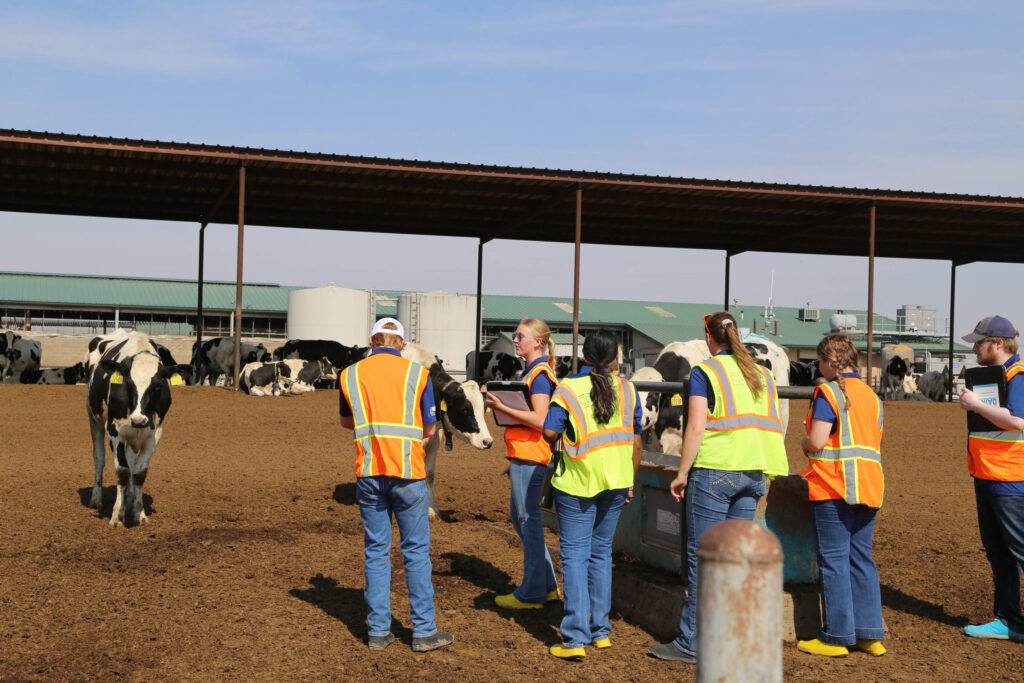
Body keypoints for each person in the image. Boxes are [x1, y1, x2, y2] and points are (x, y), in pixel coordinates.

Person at [650, 311, 789, 663]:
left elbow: (695, 429)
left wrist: (682, 472)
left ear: (708, 338)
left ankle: (693, 644)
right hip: (755, 472)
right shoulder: (763, 374)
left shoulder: (705, 372)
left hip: (715, 472)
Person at [338, 317, 454, 652]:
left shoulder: (350, 374)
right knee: (416, 552)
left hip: (369, 472)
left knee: (376, 552)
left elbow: (347, 422)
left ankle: (377, 632)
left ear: (372, 341)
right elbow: (430, 430)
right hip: (408, 473)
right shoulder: (419, 375)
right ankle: (423, 632)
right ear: (401, 344)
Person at [541, 329, 643, 658]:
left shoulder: (568, 388)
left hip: (577, 484)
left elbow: (549, 432)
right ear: (615, 359)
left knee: (574, 558)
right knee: (600, 557)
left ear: (584, 357)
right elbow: (636, 442)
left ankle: (573, 638)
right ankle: (600, 631)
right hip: (616, 483)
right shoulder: (628, 390)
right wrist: (629, 480)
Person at [797, 334, 886, 657]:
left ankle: (837, 636)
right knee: (861, 560)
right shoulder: (873, 397)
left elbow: (818, 440)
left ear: (826, 362)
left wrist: (804, 443)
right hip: (869, 487)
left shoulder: (828, 392)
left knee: (833, 561)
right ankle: (869, 634)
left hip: (833, 487)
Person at [485, 318, 560, 609]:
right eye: (515, 335)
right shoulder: (534, 372)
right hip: (525, 455)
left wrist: (502, 407)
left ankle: (531, 593)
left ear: (538, 342)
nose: (515, 340)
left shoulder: (539, 375)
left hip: (531, 455)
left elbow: (541, 420)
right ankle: (548, 586)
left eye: (520, 336)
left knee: (527, 520)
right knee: (522, 519)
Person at [958, 315, 1024, 642]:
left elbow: (1018, 421)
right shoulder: (995, 375)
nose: (974, 348)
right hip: (988, 475)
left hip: (1011, 480)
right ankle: (1009, 621)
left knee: (1019, 550)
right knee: (1000, 552)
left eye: (979, 342)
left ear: (997, 344)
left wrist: (975, 404)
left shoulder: (1018, 375)